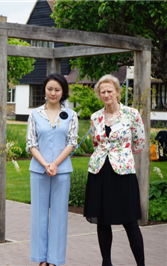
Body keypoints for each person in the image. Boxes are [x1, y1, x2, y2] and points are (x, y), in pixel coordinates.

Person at [84, 74, 146, 266]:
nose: (106, 94)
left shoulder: (132, 114)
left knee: (130, 221)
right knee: (102, 220)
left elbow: (139, 143)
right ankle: (106, 262)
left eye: (109, 91)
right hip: (99, 172)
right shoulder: (95, 117)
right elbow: (96, 142)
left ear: (118, 92)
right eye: (102, 92)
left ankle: (141, 264)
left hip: (122, 173)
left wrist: (121, 155)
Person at [26, 73, 78, 266]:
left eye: (57, 89)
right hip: (38, 171)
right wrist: (45, 164)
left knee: (59, 216)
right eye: (50, 89)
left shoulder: (71, 115)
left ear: (63, 91)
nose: (53, 93)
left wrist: (55, 164)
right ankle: (40, 259)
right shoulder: (34, 114)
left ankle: (55, 260)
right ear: (44, 90)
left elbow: (72, 142)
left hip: (62, 171)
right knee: (38, 216)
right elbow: (31, 144)